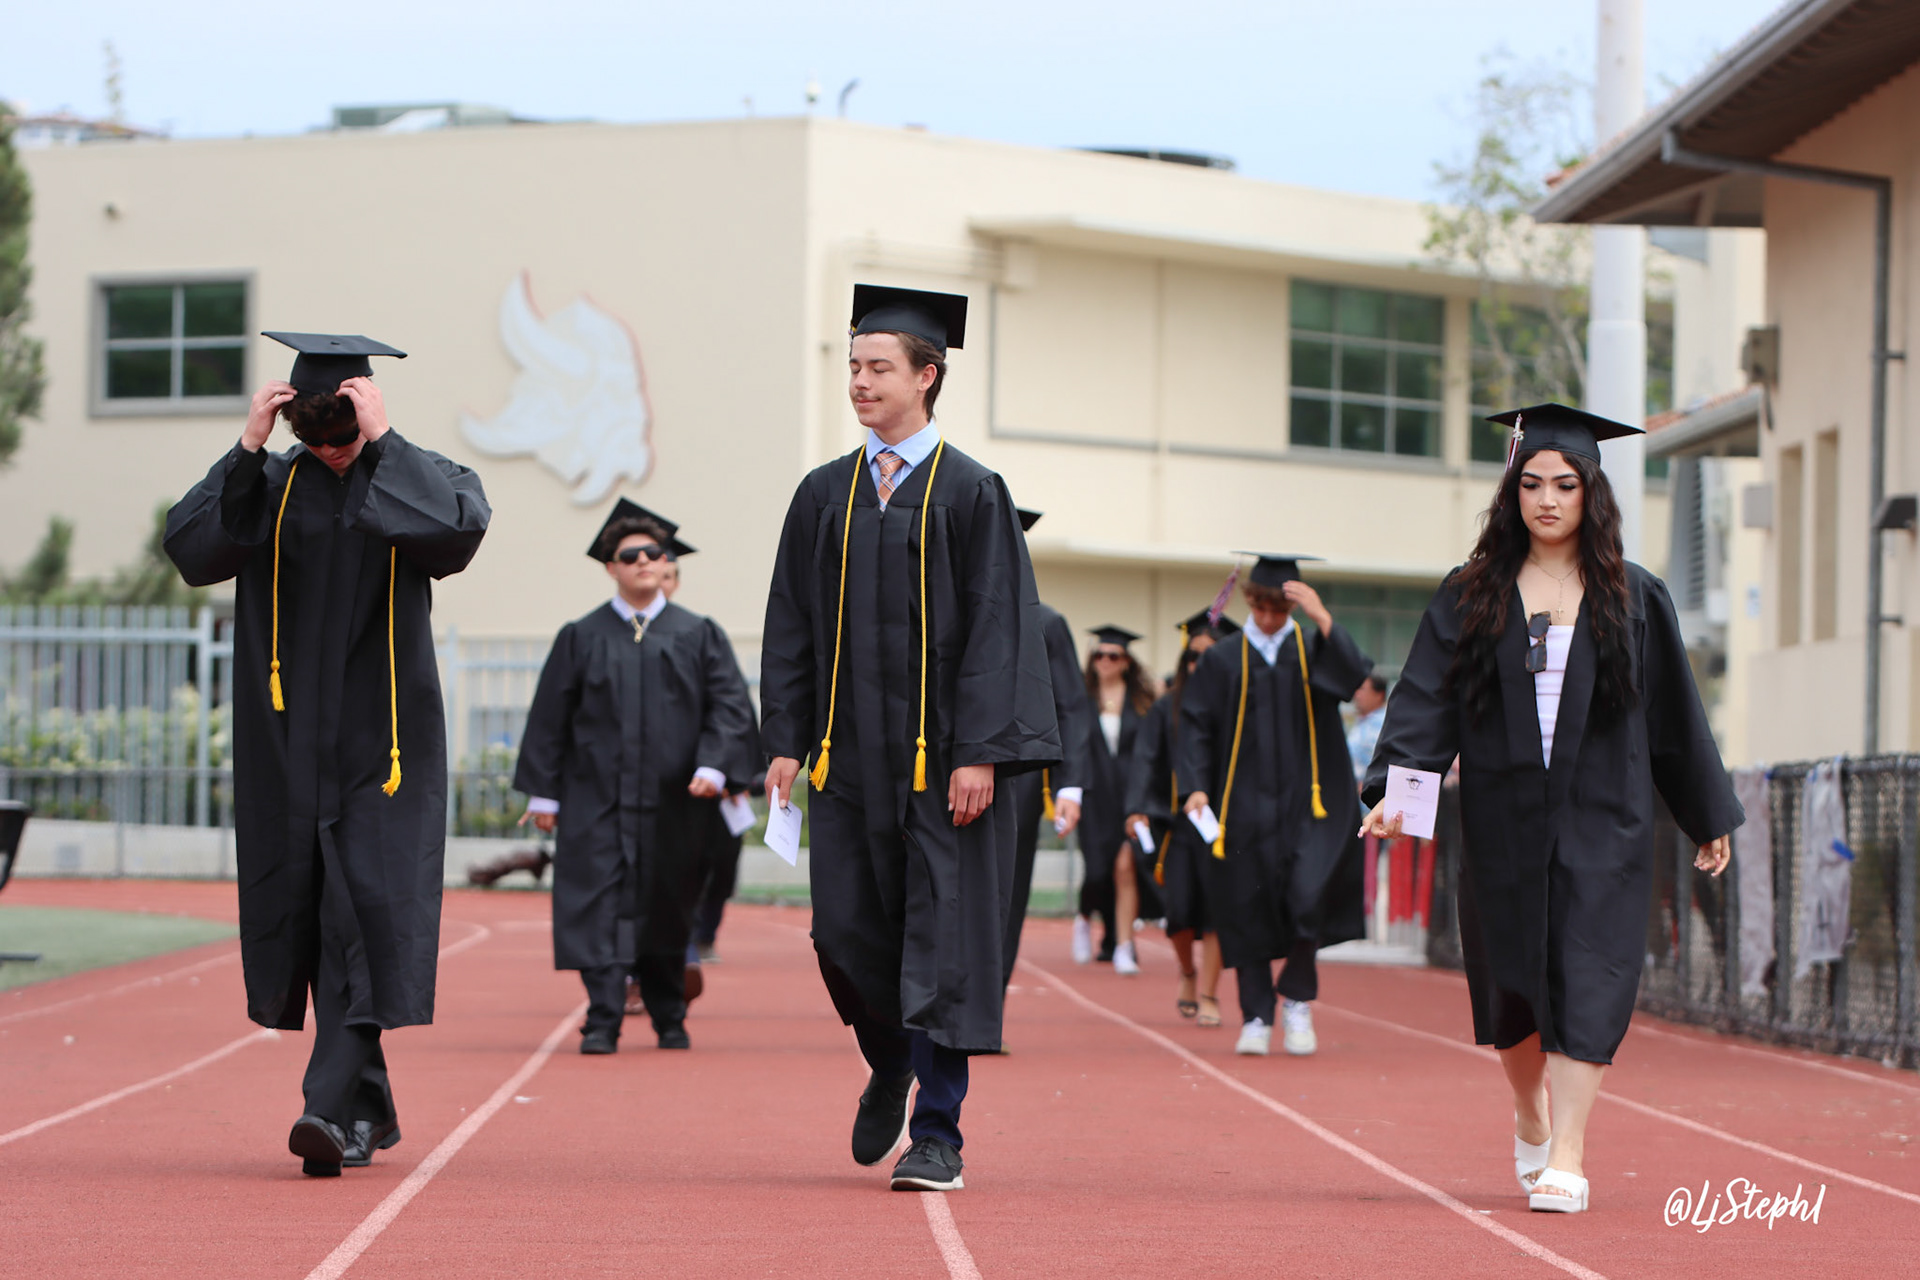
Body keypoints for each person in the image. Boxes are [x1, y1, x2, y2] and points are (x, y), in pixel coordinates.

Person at [1360, 403, 1740, 1215]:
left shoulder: (1634, 596)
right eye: (1531, 483)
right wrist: (1398, 791)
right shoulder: (1471, 593)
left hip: (1604, 814)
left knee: (1590, 971)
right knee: (1513, 984)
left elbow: (1675, 715)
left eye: (1565, 484)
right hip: (1502, 815)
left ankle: (1568, 1149)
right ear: (1512, 491)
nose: (1547, 499)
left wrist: (1705, 813)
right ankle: (1529, 1112)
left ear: (1591, 492)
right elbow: (1424, 701)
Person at [163, 331, 490, 1177]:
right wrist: (248, 445)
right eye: (316, 436)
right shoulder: (268, 486)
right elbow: (194, 550)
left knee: (364, 908)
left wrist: (384, 441)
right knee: (311, 910)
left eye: (342, 434)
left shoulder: (417, 476)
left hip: (385, 742)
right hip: (287, 741)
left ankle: (324, 1104)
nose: (332, 450)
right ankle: (365, 1111)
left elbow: (456, 534)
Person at [760, 284, 1059, 1193]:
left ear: (927, 377)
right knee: (845, 935)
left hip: (944, 766)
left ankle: (938, 1132)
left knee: (944, 942)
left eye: (878, 368)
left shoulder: (973, 493)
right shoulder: (825, 495)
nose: (859, 382)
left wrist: (981, 752)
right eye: (853, 366)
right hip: (849, 758)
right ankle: (889, 1062)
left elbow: (1001, 628)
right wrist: (786, 738)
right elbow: (791, 623)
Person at [514, 500, 758, 1054]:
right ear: (610, 567)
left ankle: (669, 1014)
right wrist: (545, 794)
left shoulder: (699, 633)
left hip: (677, 800)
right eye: (630, 556)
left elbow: (729, 707)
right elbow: (550, 717)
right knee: (597, 904)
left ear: (666, 561)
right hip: (595, 799)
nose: (645, 560)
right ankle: (602, 1017)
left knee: (669, 902)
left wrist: (713, 764)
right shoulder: (581, 636)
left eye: (654, 552)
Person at [1179, 555, 1370, 1058]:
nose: (1268, 618)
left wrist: (1322, 616)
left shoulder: (1312, 649)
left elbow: (1355, 677)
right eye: (1260, 608)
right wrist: (1194, 786)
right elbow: (1195, 725)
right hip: (1242, 807)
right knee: (1247, 906)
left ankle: (1298, 1000)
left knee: (1307, 897)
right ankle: (1257, 1015)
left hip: (1310, 803)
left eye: (1279, 610)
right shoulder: (1223, 659)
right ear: (1248, 601)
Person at [1126, 608, 1237, 1026]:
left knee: (1218, 912)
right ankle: (1188, 971)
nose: (1198, 664)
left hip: (1224, 826)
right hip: (1176, 826)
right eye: (1192, 656)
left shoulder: (1237, 709)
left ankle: (1209, 993)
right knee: (1179, 912)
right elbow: (1145, 760)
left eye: (1209, 656)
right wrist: (1136, 807)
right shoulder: (1166, 708)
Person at [1001, 509, 1090, 997]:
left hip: (1018, 778)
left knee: (1008, 892)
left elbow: (1070, 707)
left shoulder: (1045, 623)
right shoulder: (942, 609)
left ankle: (986, 1007)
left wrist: (1068, 785)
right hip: (946, 771)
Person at [1072, 626, 1158, 974]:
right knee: (1096, 871)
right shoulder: (1080, 699)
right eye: (1099, 655)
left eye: (1113, 656)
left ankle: (1122, 945)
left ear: (1125, 662)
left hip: (1129, 797)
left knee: (1124, 868)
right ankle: (1083, 917)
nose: (1105, 661)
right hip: (1093, 798)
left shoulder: (1142, 701)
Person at [1346, 672, 1389, 785]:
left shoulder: (1383, 724)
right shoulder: (1362, 723)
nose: (1356, 694)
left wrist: (1367, 784)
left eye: (1362, 689)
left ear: (1379, 695)